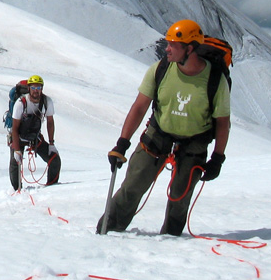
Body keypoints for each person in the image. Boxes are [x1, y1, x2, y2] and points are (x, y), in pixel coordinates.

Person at [99, 20, 230, 235]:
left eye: (172, 45)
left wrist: (218, 158)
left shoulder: (215, 79)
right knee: (132, 186)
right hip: (158, 135)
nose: (166, 48)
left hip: (194, 142)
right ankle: (108, 229)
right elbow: (140, 107)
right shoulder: (160, 69)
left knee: (180, 197)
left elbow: (223, 123)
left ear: (189, 49)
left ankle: (171, 241)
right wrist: (122, 143)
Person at [8, 74, 61, 190]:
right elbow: (15, 128)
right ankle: (17, 189)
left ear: (42, 88)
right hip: (19, 137)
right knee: (15, 163)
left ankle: (52, 187)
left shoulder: (47, 102)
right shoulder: (20, 103)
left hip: (35, 137)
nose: (36, 91)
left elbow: (50, 122)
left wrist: (51, 144)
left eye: (38, 88)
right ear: (29, 89)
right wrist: (17, 150)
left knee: (54, 159)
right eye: (33, 88)